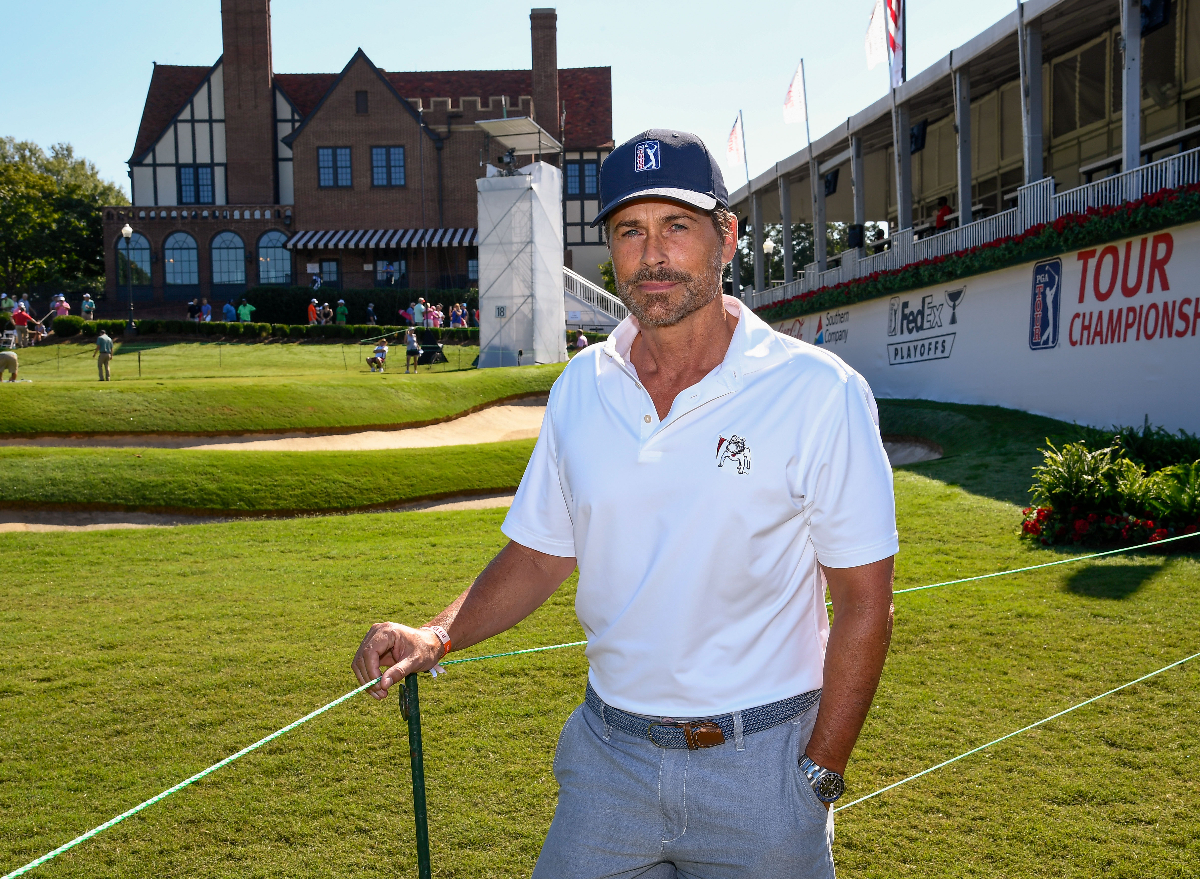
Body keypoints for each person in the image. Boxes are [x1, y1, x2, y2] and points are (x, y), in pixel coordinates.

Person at [352, 129, 898, 879]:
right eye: (630, 231)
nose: (654, 255)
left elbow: (866, 602)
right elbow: (541, 552)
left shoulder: (819, 392)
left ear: (727, 236)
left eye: (677, 225)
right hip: (609, 762)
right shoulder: (583, 384)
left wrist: (819, 776)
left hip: (762, 765)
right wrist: (437, 634)